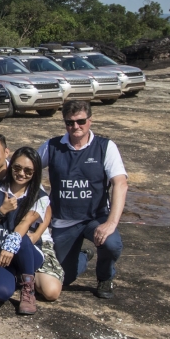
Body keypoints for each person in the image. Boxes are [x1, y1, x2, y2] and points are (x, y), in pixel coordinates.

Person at [38, 100, 127, 299]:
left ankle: (105, 276)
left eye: (80, 121)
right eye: (70, 122)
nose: (75, 127)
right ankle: (84, 256)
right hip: (64, 220)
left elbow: (120, 183)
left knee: (111, 244)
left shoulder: (105, 147)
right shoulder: (52, 146)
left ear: (90, 120)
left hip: (95, 218)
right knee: (63, 278)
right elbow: (29, 168)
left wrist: (111, 224)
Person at [0, 147, 60, 314]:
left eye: (28, 171)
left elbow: (26, 222)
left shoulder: (40, 195)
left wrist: (10, 245)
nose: (21, 173)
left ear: (35, 172)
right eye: (17, 168)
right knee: (1, 293)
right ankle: (17, 277)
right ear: (11, 167)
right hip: (2, 256)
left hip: (27, 252)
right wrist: (1, 211)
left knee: (22, 238)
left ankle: (28, 288)